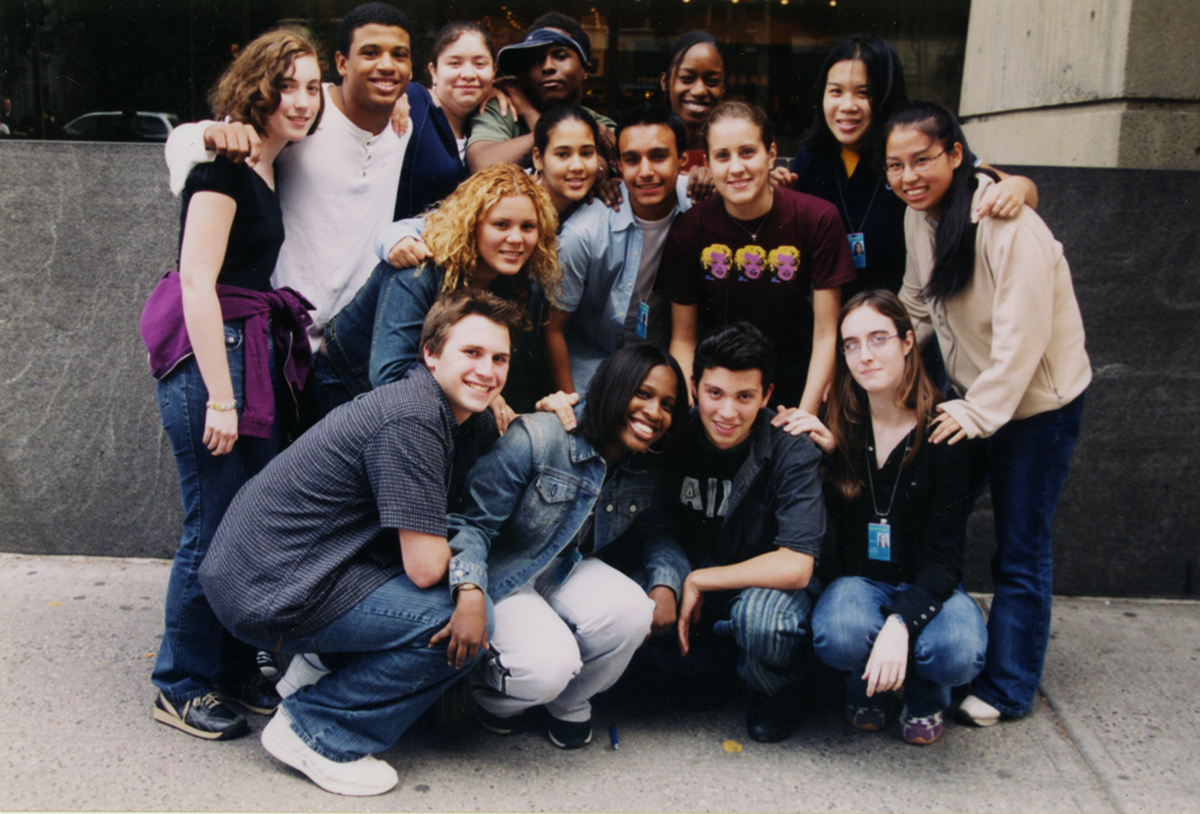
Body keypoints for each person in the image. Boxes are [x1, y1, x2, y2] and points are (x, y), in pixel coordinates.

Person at [197, 289, 521, 796]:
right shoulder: (412, 419)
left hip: (294, 565)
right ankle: (316, 731)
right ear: (430, 354)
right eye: (472, 353)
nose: (488, 370)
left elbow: (450, 523)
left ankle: (311, 676)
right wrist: (472, 586)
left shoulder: (457, 416)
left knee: (448, 597)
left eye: (499, 358)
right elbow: (426, 567)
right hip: (270, 586)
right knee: (451, 617)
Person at [137, 29, 323, 741]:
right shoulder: (222, 167)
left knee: (248, 525)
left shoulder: (268, 163)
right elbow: (195, 280)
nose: (302, 101)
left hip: (254, 350)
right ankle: (179, 683)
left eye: (313, 87)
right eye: (289, 86)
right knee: (211, 524)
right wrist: (221, 393)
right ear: (257, 89)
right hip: (212, 355)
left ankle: (236, 666)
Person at [886, 102, 1091, 727]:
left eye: (922, 160)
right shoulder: (917, 217)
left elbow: (1023, 339)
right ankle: (919, 642)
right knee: (922, 508)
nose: (908, 175)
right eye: (895, 165)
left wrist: (978, 413)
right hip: (972, 395)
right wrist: (872, 348)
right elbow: (918, 305)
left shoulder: (1008, 223)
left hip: (1035, 407)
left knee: (1020, 546)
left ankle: (1008, 685)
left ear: (955, 154)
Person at [447, 344, 691, 749]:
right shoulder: (541, 437)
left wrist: (666, 583)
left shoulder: (644, 463)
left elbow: (656, 532)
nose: (655, 412)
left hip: (564, 566)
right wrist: (469, 588)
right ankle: (493, 699)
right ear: (613, 387)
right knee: (547, 664)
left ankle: (567, 702)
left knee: (634, 612)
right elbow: (470, 524)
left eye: (667, 404)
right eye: (643, 394)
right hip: (505, 569)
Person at [787, 291, 988, 746]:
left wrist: (899, 624)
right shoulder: (844, 425)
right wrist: (831, 458)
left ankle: (925, 691)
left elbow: (946, 560)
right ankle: (865, 686)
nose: (865, 355)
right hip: (863, 583)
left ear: (908, 342)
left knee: (957, 651)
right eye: (852, 344)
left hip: (929, 581)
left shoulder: (944, 431)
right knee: (839, 632)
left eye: (879, 339)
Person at [165, 3, 414, 350]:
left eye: (398, 55)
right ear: (342, 63)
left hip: (348, 341)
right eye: (370, 53)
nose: (386, 64)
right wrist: (206, 134)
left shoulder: (405, 124)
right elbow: (187, 143)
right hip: (283, 333)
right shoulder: (309, 113)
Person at [658, 322, 825, 744]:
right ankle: (710, 672)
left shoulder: (791, 446)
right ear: (694, 387)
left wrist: (702, 580)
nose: (727, 412)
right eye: (715, 393)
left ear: (767, 395)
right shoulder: (674, 432)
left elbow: (798, 564)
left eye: (744, 397)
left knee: (763, 621)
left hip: (760, 588)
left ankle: (773, 691)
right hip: (695, 577)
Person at [783, 34, 1038, 297]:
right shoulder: (812, 156)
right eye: (836, 91)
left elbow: (1016, 187)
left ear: (886, 95)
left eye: (864, 93)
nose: (847, 106)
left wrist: (1019, 186)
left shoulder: (908, 149)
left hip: (912, 312)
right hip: (836, 317)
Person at [656, 101, 856, 412]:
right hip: (720, 392)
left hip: (797, 384)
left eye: (747, 152)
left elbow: (826, 333)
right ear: (707, 162)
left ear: (771, 154)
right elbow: (683, 339)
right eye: (723, 156)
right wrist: (692, 408)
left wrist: (805, 416)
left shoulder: (816, 219)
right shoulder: (690, 230)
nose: (736, 167)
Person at [317, 164, 560, 417]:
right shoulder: (419, 269)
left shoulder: (521, 284)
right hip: (346, 381)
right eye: (501, 225)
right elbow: (390, 377)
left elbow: (514, 377)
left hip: (434, 389)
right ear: (471, 224)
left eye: (528, 227)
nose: (516, 238)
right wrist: (486, 397)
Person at [543, 104, 693, 398]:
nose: (646, 171)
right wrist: (571, 407)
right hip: (594, 373)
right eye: (632, 159)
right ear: (618, 165)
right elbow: (552, 328)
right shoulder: (583, 233)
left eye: (659, 156)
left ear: (682, 159)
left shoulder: (699, 206)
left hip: (666, 363)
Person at [465, 12, 615, 171]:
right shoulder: (504, 108)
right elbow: (481, 164)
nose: (547, 66)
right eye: (536, 59)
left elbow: (596, 172)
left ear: (585, 70)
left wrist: (528, 111)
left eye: (560, 56)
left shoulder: (601, 126)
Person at [394, 21, 496, 221]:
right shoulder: (412, 101)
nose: (468, 74)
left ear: (494, 71)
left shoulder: (484, 123)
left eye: (480, 64)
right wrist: (394, 97)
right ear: (433, 71)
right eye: (454, 63)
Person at [660, 31, 726, 194]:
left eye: (712, 81)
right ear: (665, 82)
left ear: (723, 88)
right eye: (687, 78)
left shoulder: (735, 154)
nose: (699, 91)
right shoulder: (643, 149)